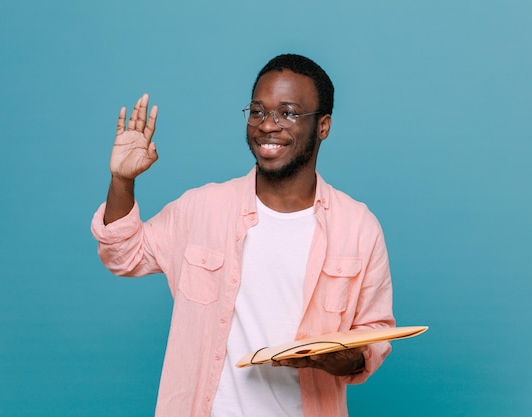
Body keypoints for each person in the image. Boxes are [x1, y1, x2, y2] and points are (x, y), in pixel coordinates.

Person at [91, 54, 395, 417]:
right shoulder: (201, 208)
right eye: (258, 111)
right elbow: (123, 255)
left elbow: (374, 335)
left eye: (288, 113)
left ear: (323, 126)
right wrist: (122, 181)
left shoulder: (358, 227)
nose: (269, 125)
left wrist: (341, 359)